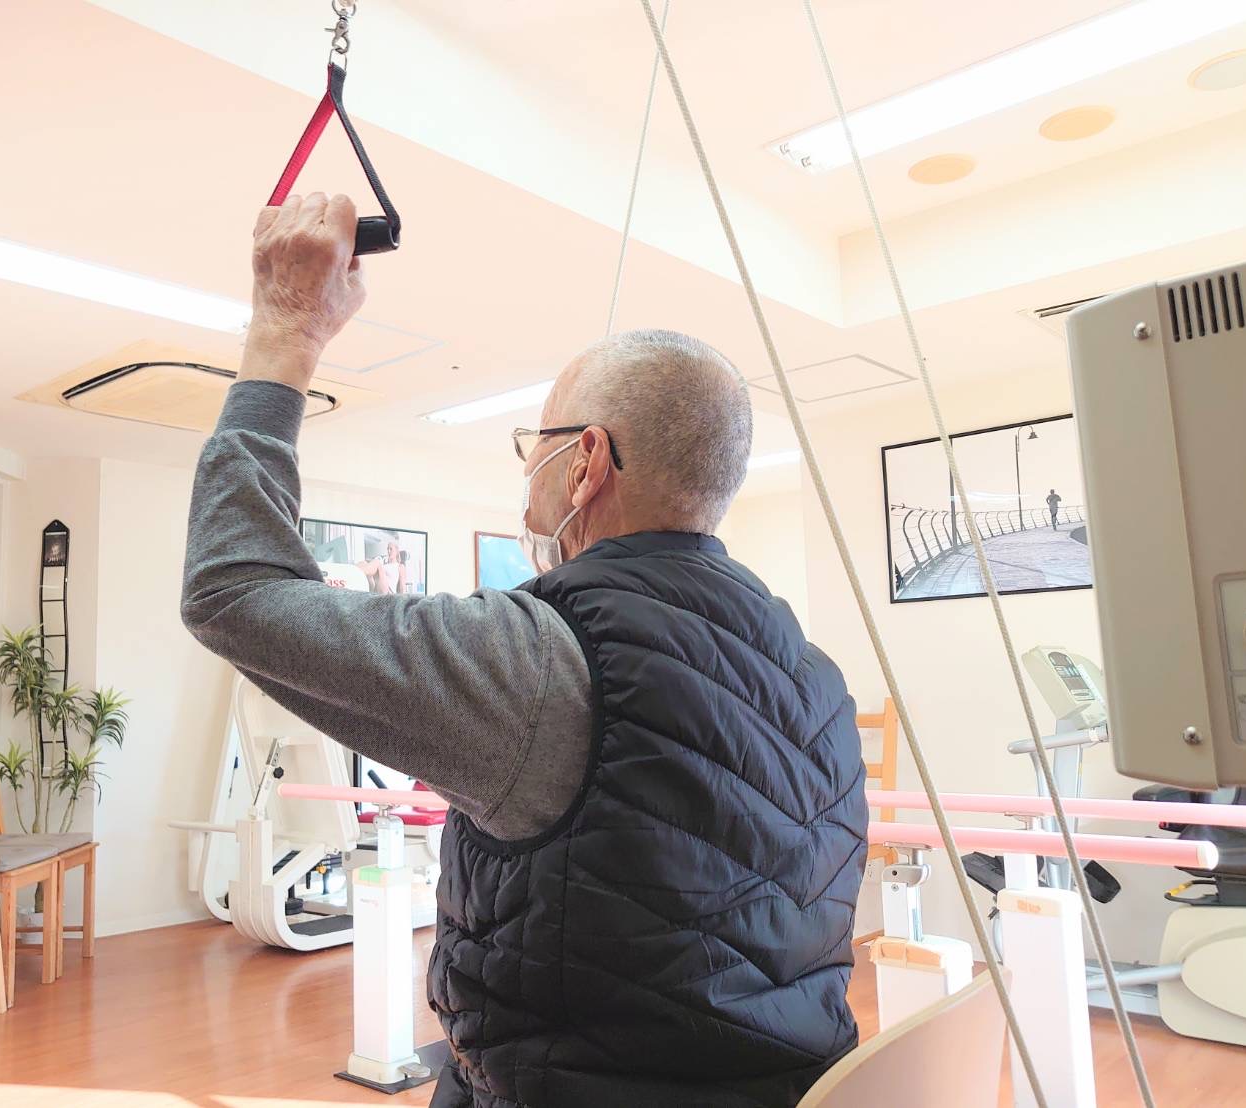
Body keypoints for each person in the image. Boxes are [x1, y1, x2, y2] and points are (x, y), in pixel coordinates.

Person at [181, 192, 868, 1107]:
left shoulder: (542, 658)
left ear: (585, 463)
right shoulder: (814, 676)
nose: (526, 476)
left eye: (532, 447)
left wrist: (285, 332)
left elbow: (233, 592)